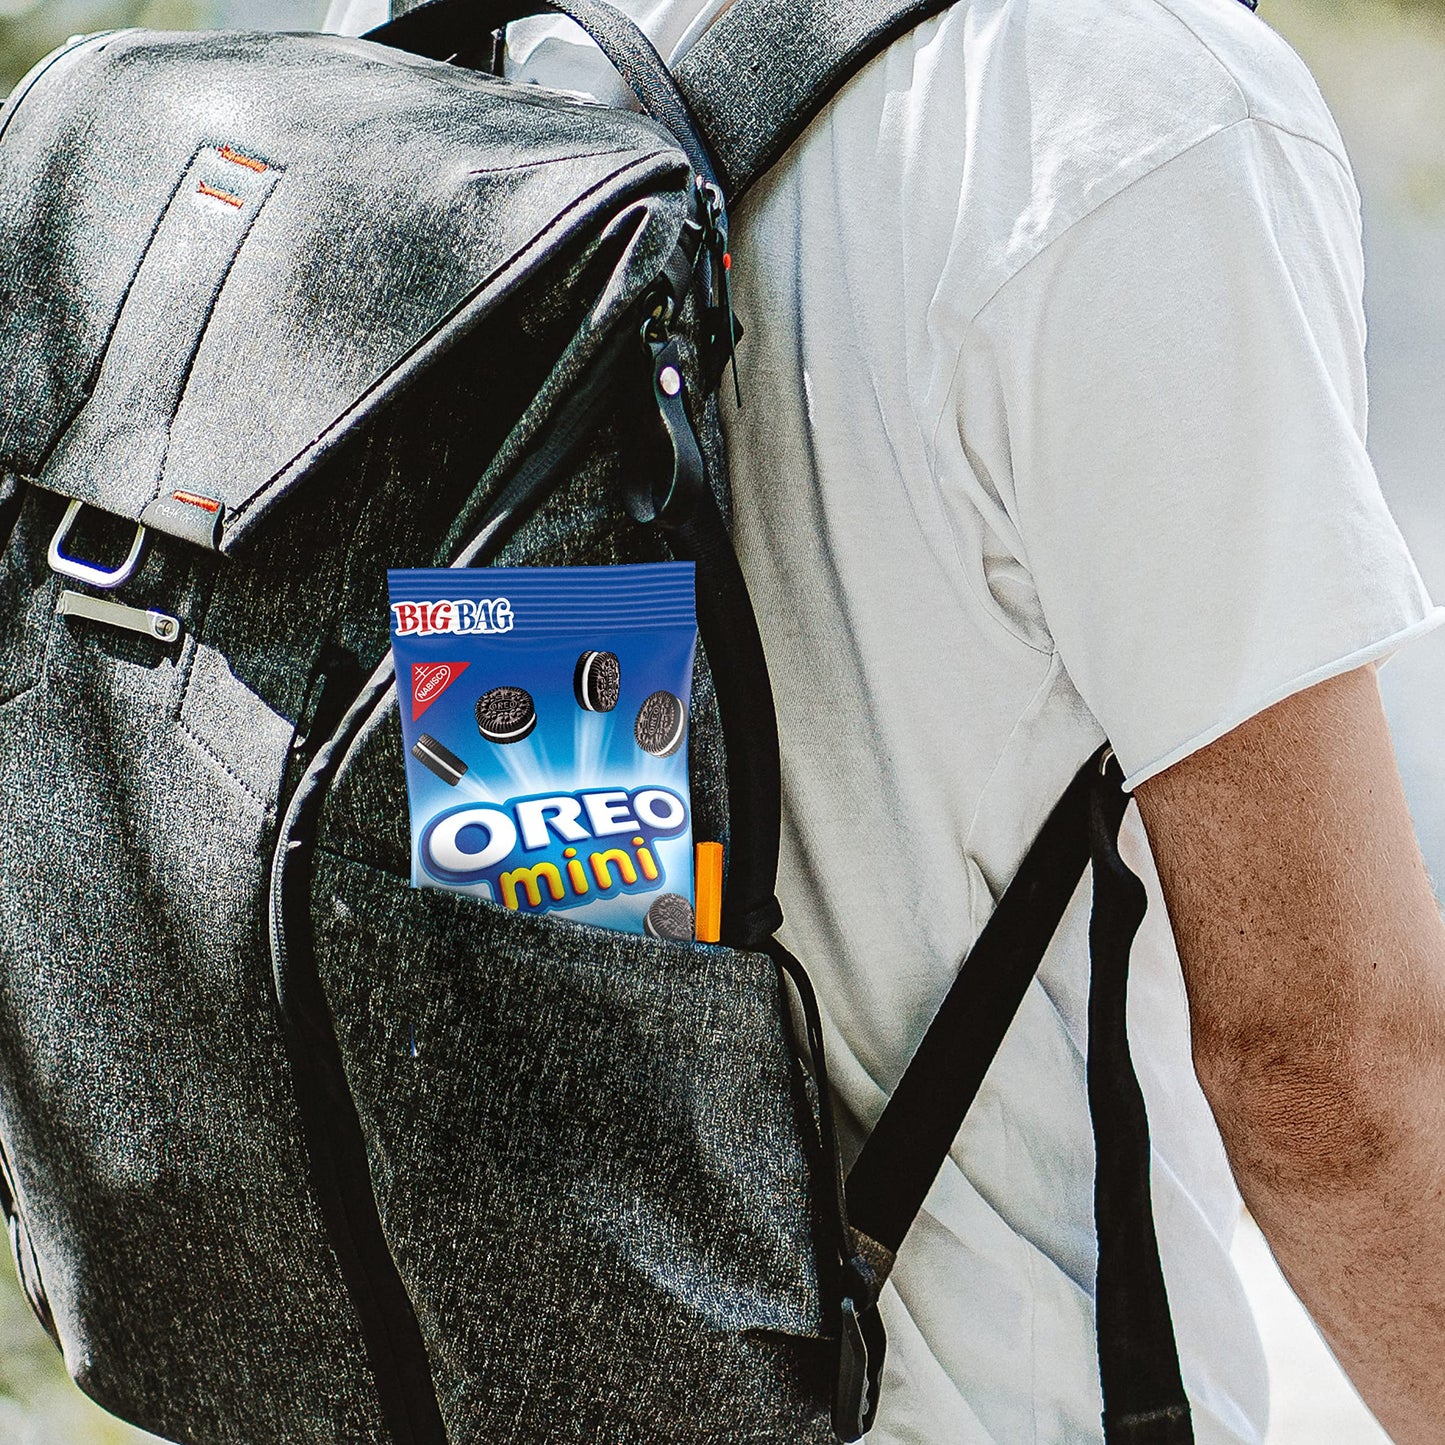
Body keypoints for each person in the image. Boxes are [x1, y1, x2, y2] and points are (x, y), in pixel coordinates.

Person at [329, 1, 1445, 1439]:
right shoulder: (1121, 111)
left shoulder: (456, 35)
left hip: (520, 1380)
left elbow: (520, 892)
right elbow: (1327, 1080)